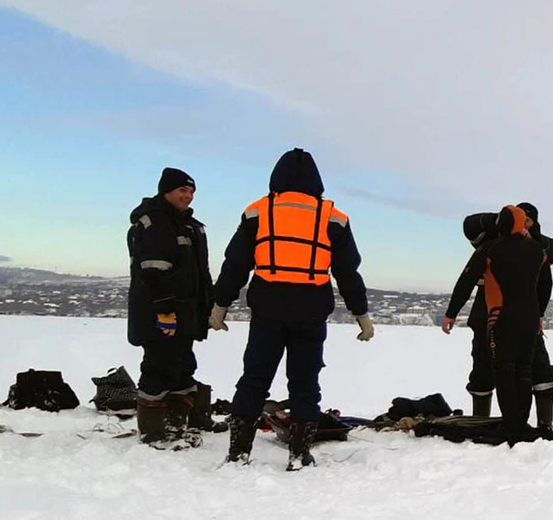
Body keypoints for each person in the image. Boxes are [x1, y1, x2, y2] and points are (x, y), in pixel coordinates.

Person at [209, 148, 373, 470]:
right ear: (317, 181)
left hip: (267, 309)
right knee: (305, 383)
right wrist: (361, 314)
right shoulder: (333, 217)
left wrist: (221, 304)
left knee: (254, 379)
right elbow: (347, 272)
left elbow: (236, 264)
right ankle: (299, 454)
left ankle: (238, 453)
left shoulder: (258, 211)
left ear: (277, 177)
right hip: (311, 312)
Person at [126, 167, 214, 448]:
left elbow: (199, 275)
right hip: (160, 314)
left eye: (190, 192)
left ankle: (177, 424)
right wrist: (164, 312)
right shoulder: (156, 222)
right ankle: (153, 432)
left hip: (186, 314)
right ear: (166, 191)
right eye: (182, 191)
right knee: (158, 368)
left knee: (183, 366)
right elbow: (152, 273)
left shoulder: (189, 225)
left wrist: (207, 308)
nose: (187, 196)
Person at [442, 205, 546, 439]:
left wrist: (451, 313)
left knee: (504, 369)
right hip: (530, 319)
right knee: (524, 369)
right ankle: (521, 421)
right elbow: (544, 282)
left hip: (501, 318)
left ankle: (511, 424)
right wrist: (541, 315)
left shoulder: (491, 249)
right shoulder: (537, 250)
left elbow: (466, 281)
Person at [461, 202, 553, 429]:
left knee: (538, 371)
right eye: (519, 218)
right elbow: (469, 225)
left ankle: (542, 424)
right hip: (488, 318)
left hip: (525, 318)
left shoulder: (536, 247)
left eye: (528, 220)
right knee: (482, 371)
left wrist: (531, 234)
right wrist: (502, 220)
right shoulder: (493, 241)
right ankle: (482, 423)